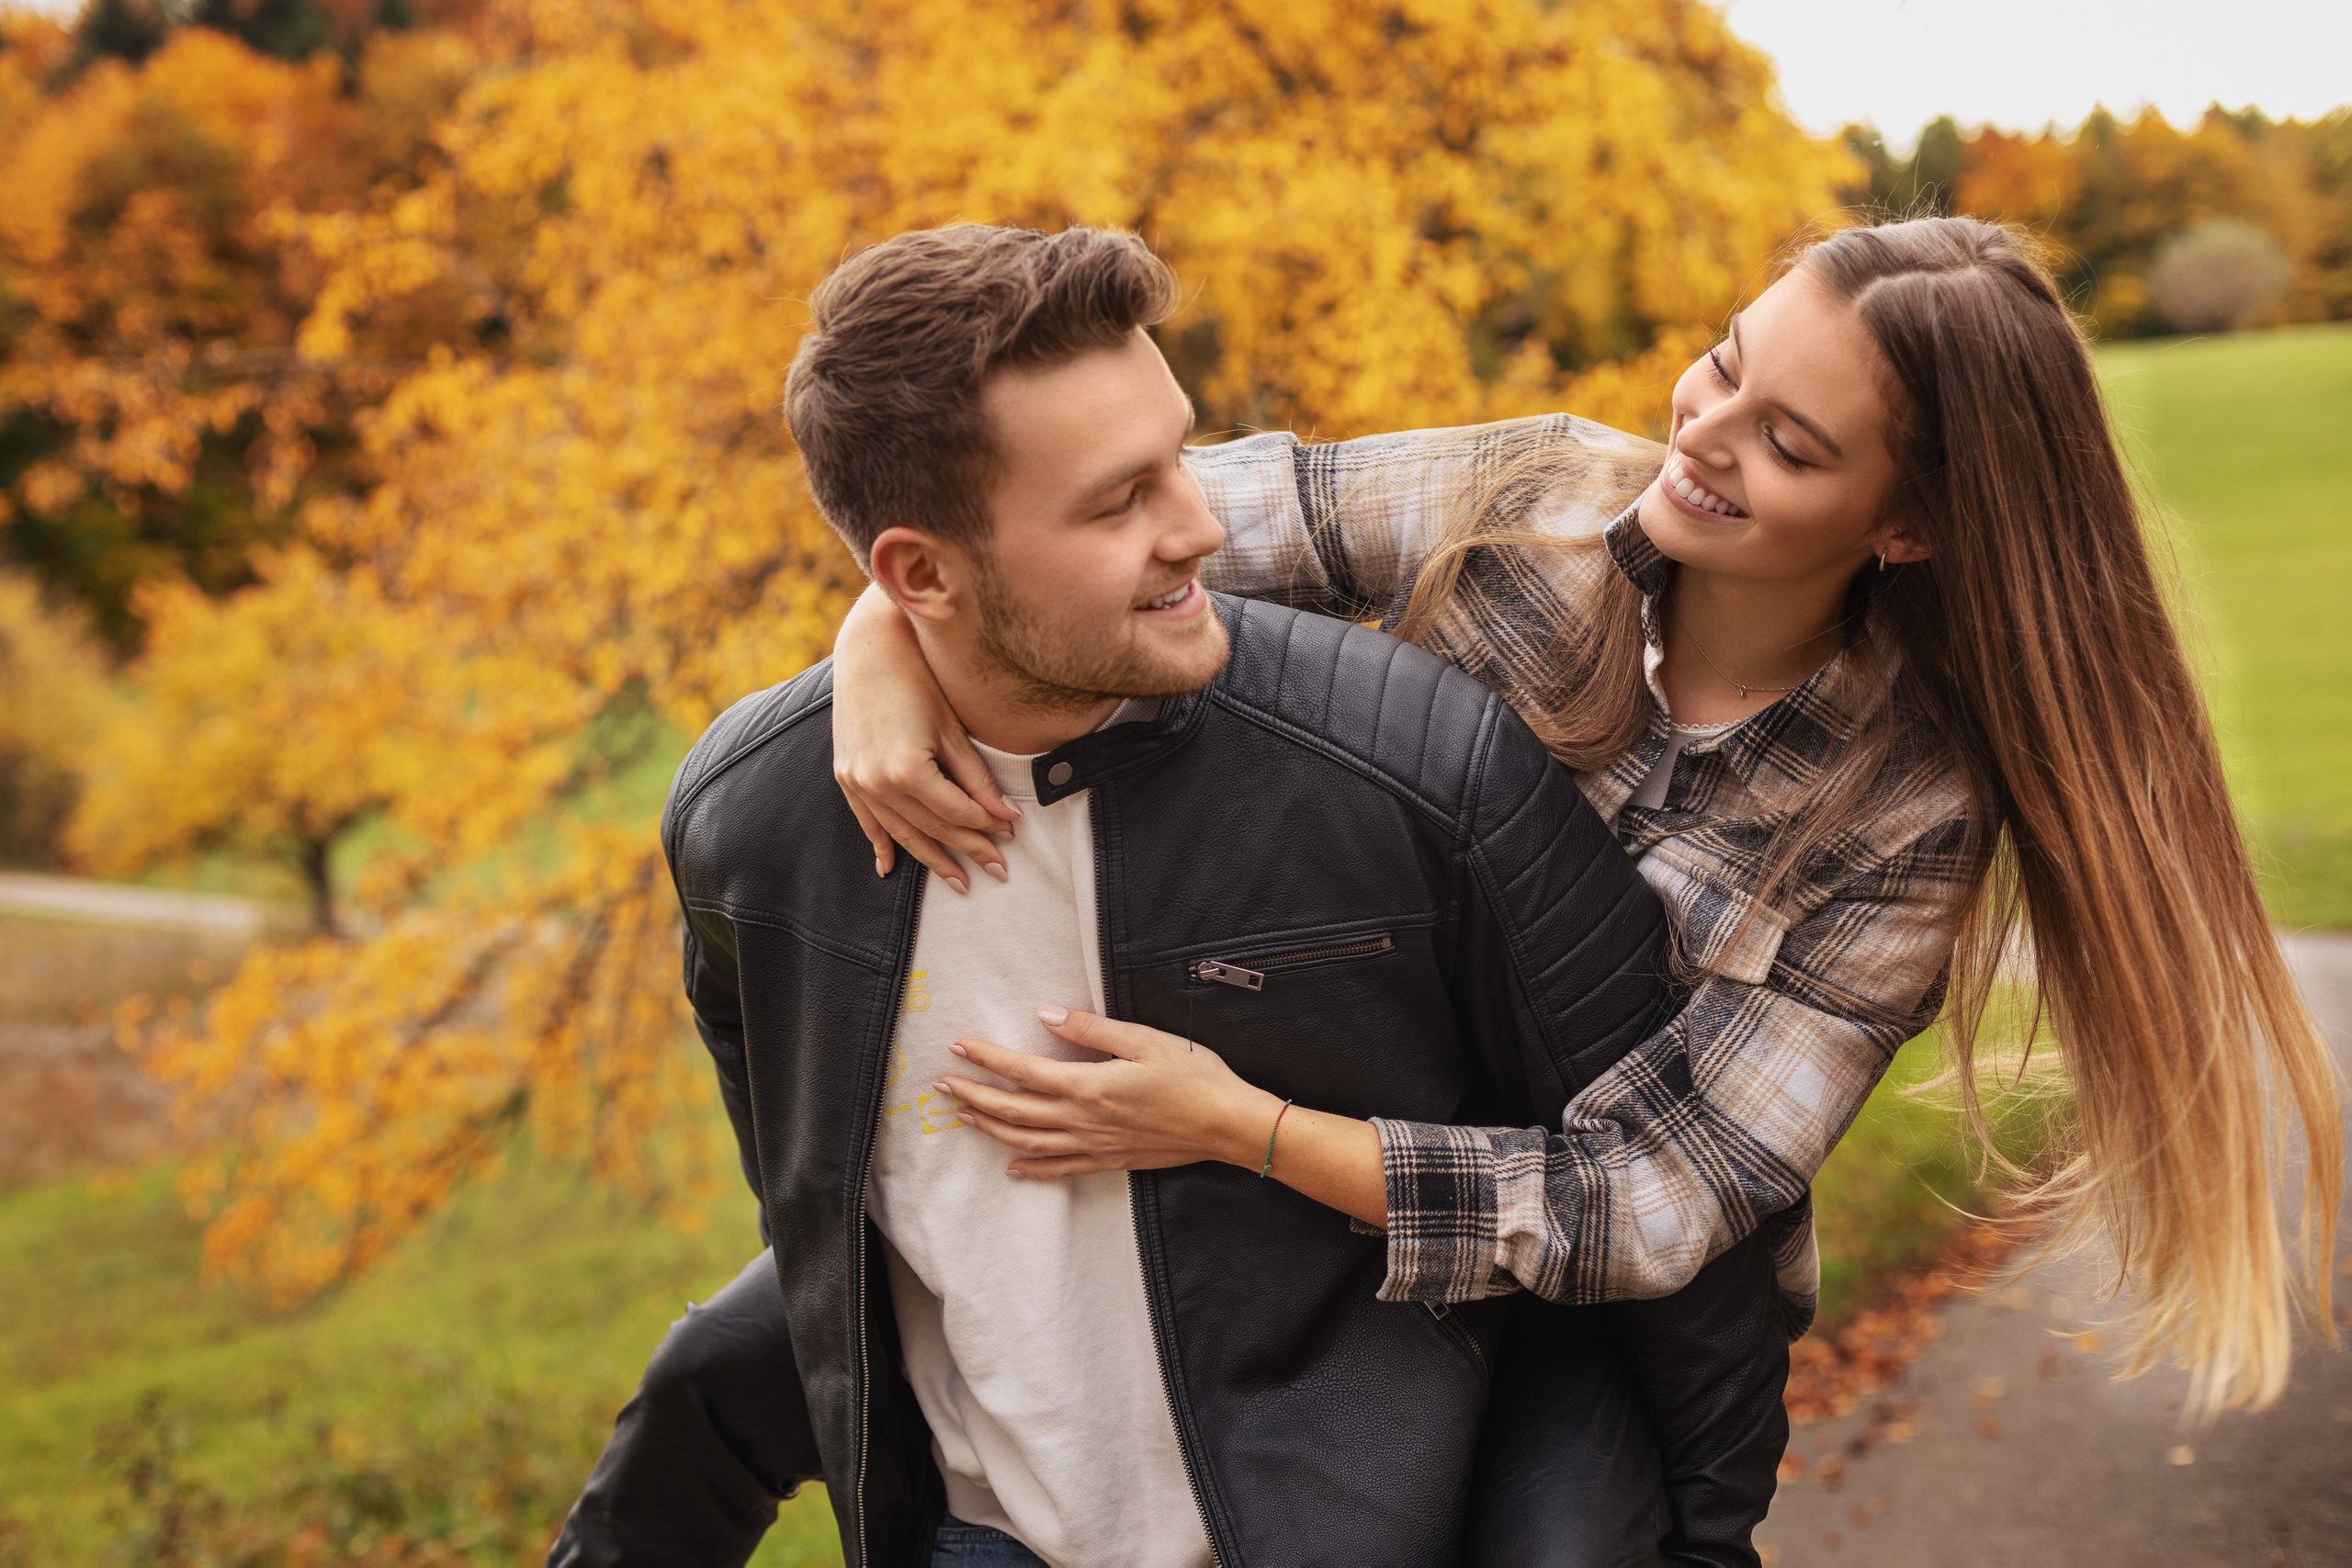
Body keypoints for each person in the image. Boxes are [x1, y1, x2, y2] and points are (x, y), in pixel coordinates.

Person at [835, 215, 2341, 1427]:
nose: (1703, 432)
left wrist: (1241, 1127)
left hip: (1612, 1362)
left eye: (1793, 445)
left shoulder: (1905, 810)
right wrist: (877, 646)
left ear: (1908, 527)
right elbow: (1085, 531)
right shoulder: (1525, 495)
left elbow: (1652, 1203)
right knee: (799, 1336)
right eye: (1722, 364)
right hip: (1297, 1255)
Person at [548, 223, 1791, 1568]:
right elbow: (820, 1225)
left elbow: (1682, 1231)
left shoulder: (1419, 768)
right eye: (1116, 500)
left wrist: (1707, 1549)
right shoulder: (751, 828)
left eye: (1181, 458)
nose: (1201, 525)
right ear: (917, 576)